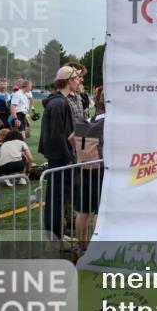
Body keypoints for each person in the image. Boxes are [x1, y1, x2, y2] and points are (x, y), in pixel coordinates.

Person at [39, 66, 78, 238]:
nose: (79, 81)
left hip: (61, 155)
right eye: (76, 78)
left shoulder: (60, 101)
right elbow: (57, 135)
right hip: (60, 156)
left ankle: (57, 234)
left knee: (59, 197)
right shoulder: (58, 103)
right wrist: (69, 156)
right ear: (69, 80)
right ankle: (55, 236)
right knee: (56, 198)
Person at [73, 86, 105, 250]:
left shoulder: (89, 120)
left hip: (84, 167)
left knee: (83, 210)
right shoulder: (106, 122)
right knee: (100, 210)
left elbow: (72, 138)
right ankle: (96, 248)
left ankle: (81, 246)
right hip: (101, 169)